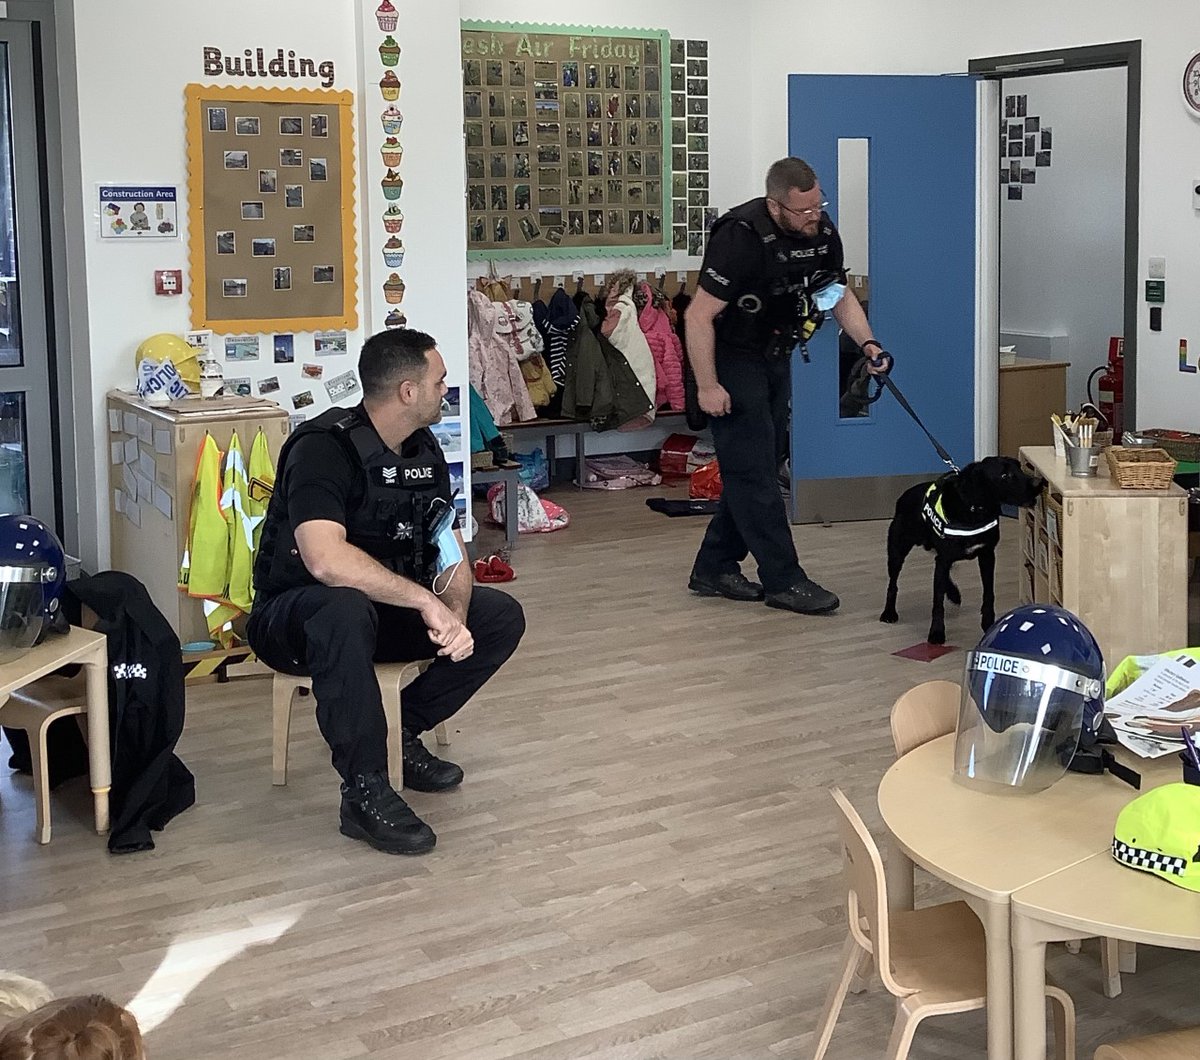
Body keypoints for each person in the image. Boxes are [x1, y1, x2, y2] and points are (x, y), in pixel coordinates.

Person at [247, 329, 525, 855]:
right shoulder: (321, 449)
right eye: (440, 381)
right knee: (342, 607)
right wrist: (423, 601)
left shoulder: (423, 451)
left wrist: (456, 613)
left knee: (500, 616)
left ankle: (404, 731)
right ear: (407, 391)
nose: (447, 390)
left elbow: (450, 548)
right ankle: (364, 789)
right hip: (293, 619)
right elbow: (325, 562)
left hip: (378, 616)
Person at [685, 157, 889, 614]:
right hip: (731, 356)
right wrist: (708, 386)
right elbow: (697, 316)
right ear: (775, 206)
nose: (814, 216)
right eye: (803, 210)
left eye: (819, 205)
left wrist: (869, 345)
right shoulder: (739, 236)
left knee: (760, 460)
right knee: (754, 473)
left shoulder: (822, 232)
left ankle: (714, 565)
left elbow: (834, 294)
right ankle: (784, 579)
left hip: (775, 354)